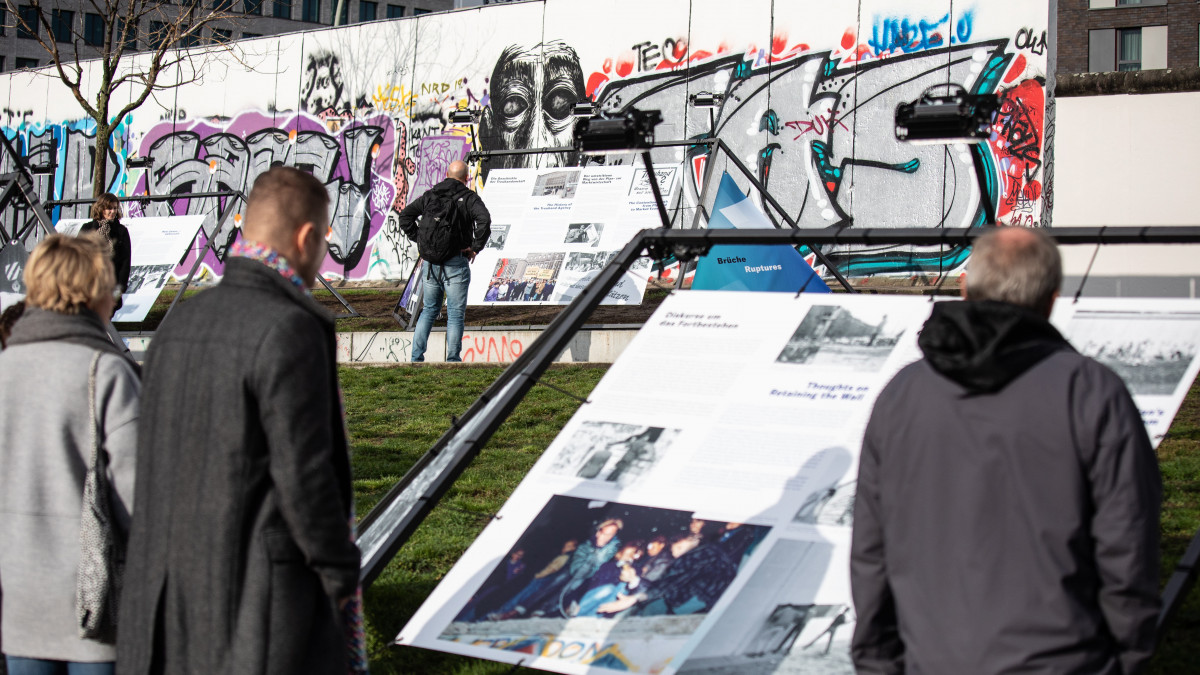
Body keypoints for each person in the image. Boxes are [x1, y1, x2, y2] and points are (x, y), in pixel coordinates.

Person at [851, 226, 1162, 675]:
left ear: (964, 287)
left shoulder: (902, 395)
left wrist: (878, 663)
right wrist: (1125, 659)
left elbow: (871, 551)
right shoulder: (1092, 393)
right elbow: (1129, 549)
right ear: (1052, 298)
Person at [116, 167, 364, 675]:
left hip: (167, 598)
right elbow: (307, 481)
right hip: (256, 606)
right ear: (307, 237)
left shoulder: (176, 324)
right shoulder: (289, 328)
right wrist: (341, 573)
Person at [0, 234, 140, 675]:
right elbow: (139, 499)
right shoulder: (106, 371)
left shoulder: (5, 367)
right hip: (97, 600)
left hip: (18, 594)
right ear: (92, 290)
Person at [395, 160, 491, 362]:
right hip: (456, 261)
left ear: (446, 174)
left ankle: (416, 358)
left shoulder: (431, 195)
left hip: (431, 263)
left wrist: (422, 240)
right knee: (455, 313)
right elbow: (484, 220)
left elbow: (404, 216)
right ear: (467, 178)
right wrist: (475, 247)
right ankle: (453, 360)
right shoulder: (469, 198)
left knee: (429, 309)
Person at [79, 194, 132, 310]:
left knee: (104, 322)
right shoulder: (87, 229)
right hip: (89, 286)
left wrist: (119, 289)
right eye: (109, 208)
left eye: (115, 208)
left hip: (110, 286)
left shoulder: (121, 231)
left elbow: (125, 262)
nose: (112, 211)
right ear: (101, 208)